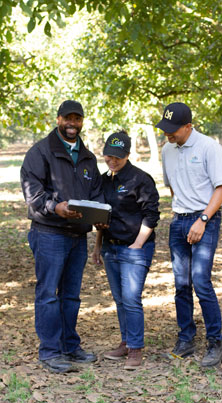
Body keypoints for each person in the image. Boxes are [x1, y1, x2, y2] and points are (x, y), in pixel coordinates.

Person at [21, 100, 105, 373]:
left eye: (77, 119)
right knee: (48, 295)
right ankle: (50, 352)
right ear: (58, 119)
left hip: (77, 236)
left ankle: (70, 347)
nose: (72, 123)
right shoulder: (40, 152)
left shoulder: (88, 158)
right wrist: (55, 207)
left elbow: (96, 194)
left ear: (82, 121)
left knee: (71, 296)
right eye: (67, 118)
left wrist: (99, 215)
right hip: (49, 234)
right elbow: (33, 194)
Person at [156, 102, 222, 367]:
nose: (168, 134)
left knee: (201, 281)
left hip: (205, 219)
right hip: (178, 222)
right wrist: (182, 216)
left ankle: (215, 343)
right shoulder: (167, 150)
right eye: (165, 129)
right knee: (181, 285)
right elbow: (173, 187)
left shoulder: (209, 147)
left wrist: (202, 219)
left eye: (173, 130)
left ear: (188, 126)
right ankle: (186, 340)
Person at [92, 131, 160, 370]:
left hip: (135, 248)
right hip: (111, 248)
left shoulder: (141, 179)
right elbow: (102, 214)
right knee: (120, 299)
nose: (112, 161)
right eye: (108, 156)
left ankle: (136, 350)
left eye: (117, 157)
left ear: (128, 155)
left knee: (131, 299)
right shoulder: (103, 180)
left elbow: (152, 215)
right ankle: (126, 341)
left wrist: (138, 244)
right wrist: (98, 245)